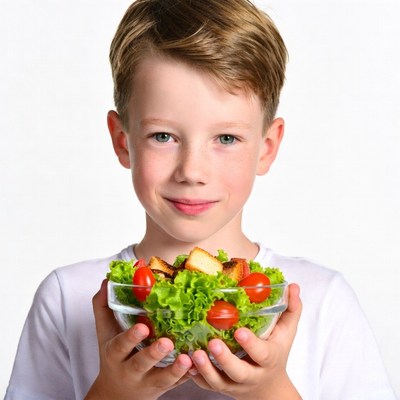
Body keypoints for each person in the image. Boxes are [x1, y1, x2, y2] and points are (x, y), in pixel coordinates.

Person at [5, 0, 396, 399]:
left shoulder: (321, 299)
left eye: (226, 138)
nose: (192, 171)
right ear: (123, 141)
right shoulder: (67, 296)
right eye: (163, 136)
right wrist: (111, 392)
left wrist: (272, 390)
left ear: (267, 147)